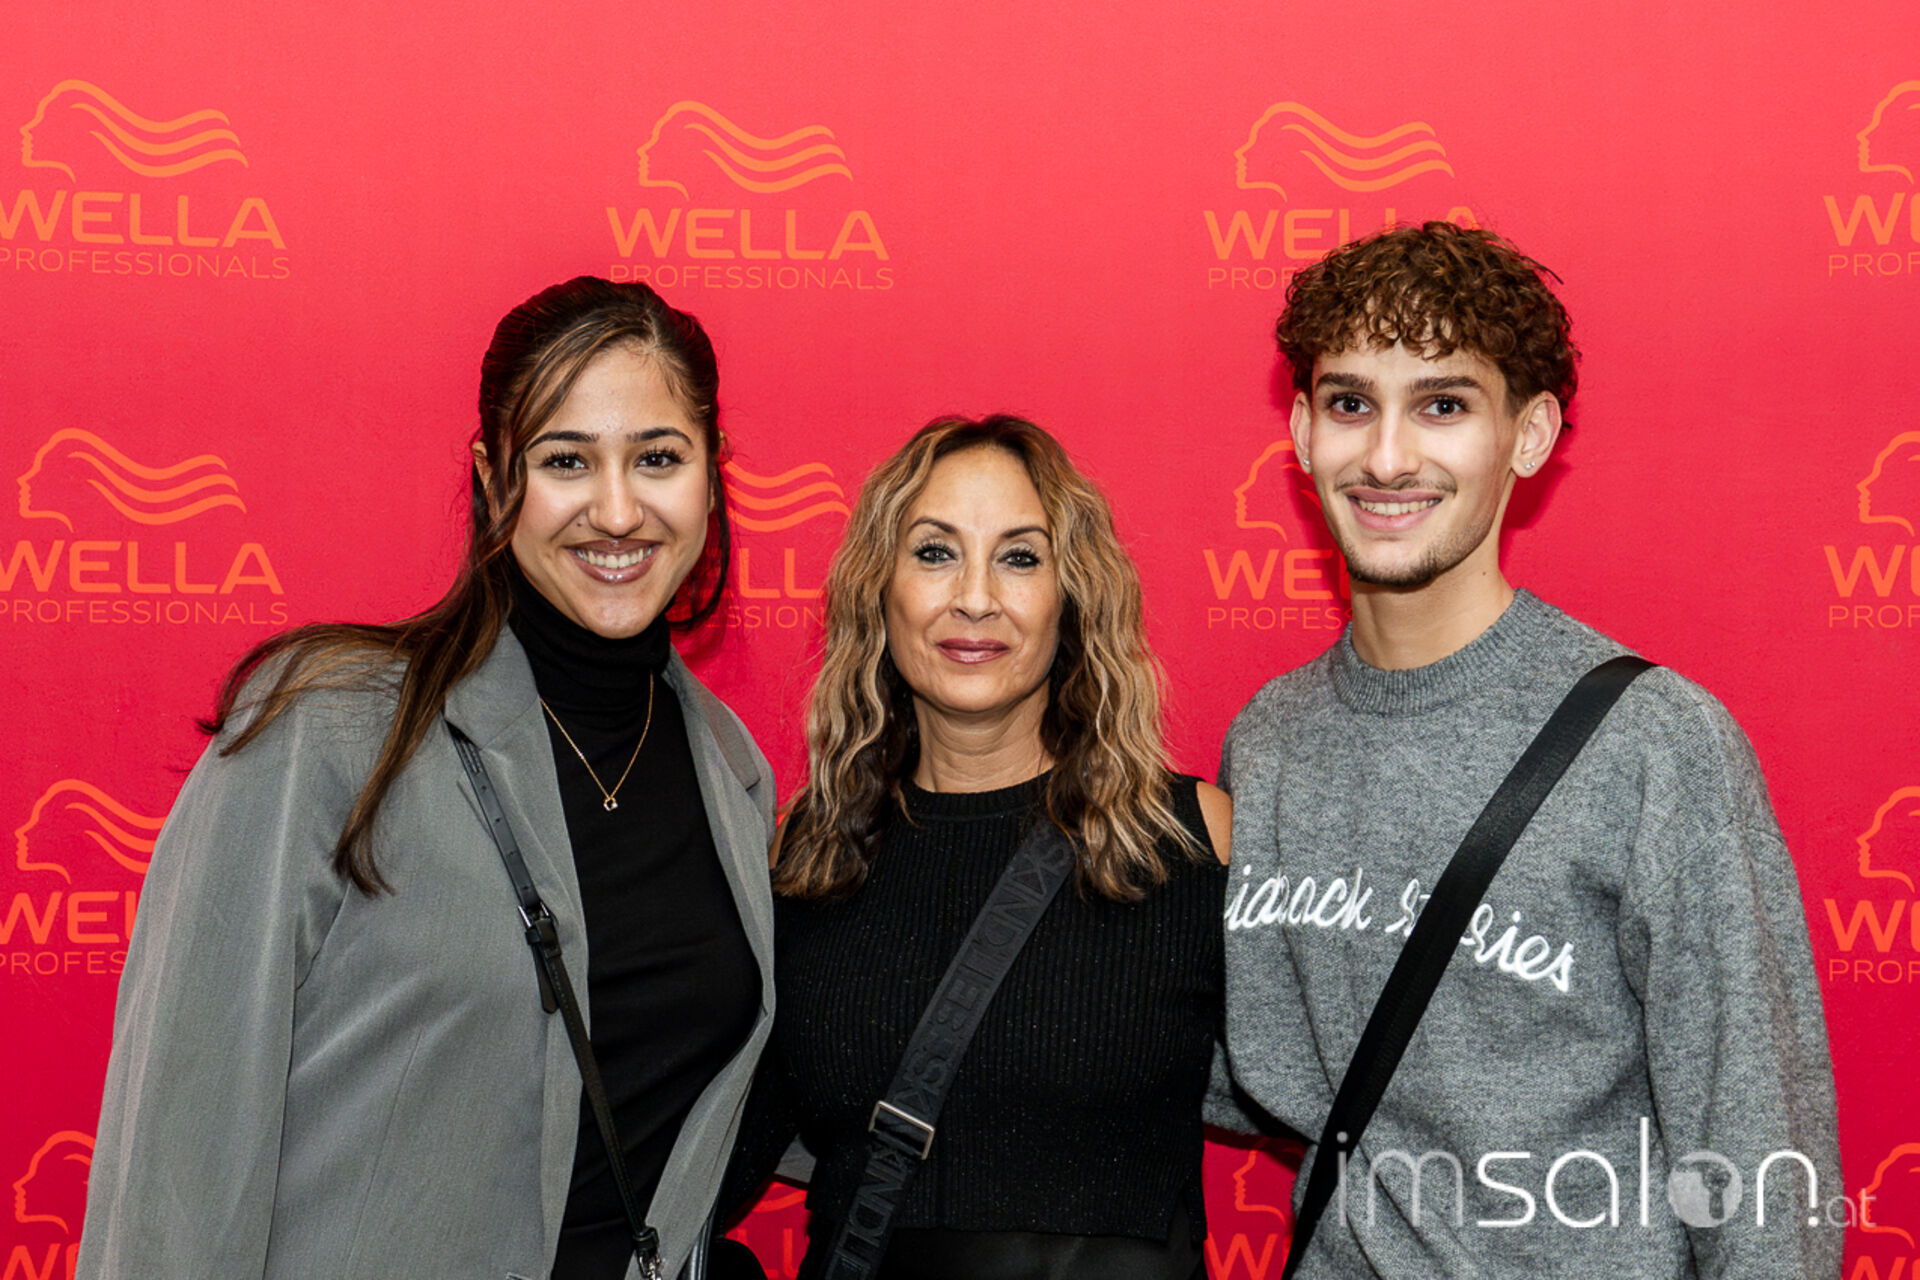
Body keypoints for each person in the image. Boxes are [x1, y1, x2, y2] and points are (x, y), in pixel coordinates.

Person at [78, 277, 776, 1280]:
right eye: (566, 460)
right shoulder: (330, 730)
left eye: (658, 457)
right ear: (493, 477)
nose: (619, 510)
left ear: (712, 472)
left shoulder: (732, 773)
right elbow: (175, 1162)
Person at [1216, 222, 1840, 1278]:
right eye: (1352, 403)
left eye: (1443, 406)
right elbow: (1247, 1068)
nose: (1387, 457)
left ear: (1532, 433)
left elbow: (1759, 1161)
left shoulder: (1654, 742)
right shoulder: (1271, 737)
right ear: (1304, 429)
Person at [725, 415, 1233, 1280]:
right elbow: (716, 1152)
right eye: (934, 553)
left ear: (1072, 597)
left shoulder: (1190, 839)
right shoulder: (806, 860)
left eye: (1020, 557)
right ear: (878, 591)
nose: (974, 597)